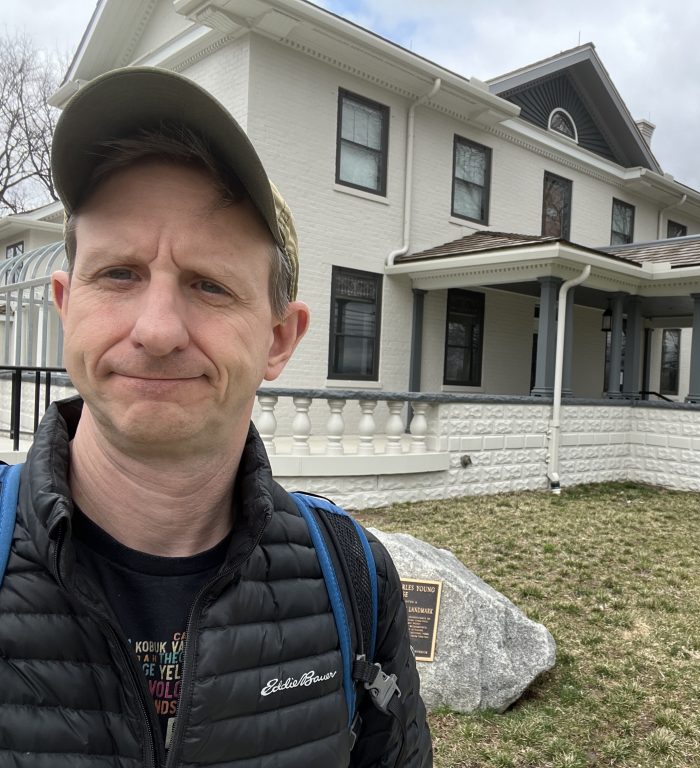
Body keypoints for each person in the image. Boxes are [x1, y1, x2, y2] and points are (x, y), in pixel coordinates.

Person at [0, 66, 431, 766]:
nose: (158, 328)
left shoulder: (356, 583)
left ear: (279, 338)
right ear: (64, 305)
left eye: (208, 283)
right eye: (118, 274)